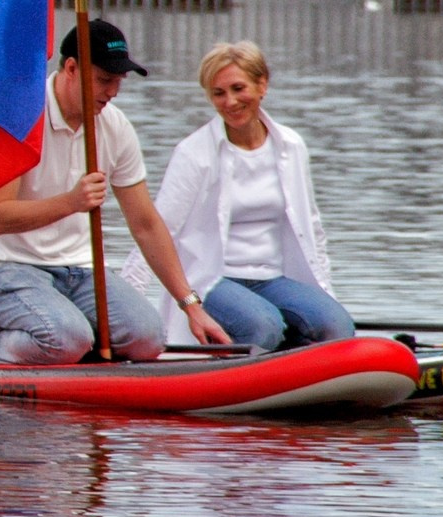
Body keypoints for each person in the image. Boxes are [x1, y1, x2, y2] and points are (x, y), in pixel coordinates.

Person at [0, 19, 229, 364]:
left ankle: (64, 344)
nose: (113, 92)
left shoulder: (115, 126)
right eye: (104, 80)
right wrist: (71, 202)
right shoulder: (16, 116)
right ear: (71, 68)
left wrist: (190, 305)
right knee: (66, 339)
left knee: (149, 340)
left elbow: (145, 223)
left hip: (80, 270)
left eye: (119, 81)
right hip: (6, 268)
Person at [119, 41, 355, 352]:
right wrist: (123, 308)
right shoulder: (193, 153)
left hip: (272, 278)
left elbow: (313, 228)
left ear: (262, 85)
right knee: (263, 325)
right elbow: (156, 228)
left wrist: (326, 294)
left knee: (338, 325)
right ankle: (254, 365)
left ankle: (299, 364)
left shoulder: (291, 146)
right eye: (218, 93)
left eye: (238, 88)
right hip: (214, 280)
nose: (229, 101)